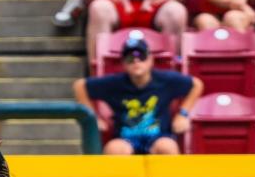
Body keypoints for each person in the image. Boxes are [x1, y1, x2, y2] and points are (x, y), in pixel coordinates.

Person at [73, 37, 203, 154]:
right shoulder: (114, 83)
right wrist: (94, 118)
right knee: (114, 149)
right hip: (125, 139)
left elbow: (196, 85)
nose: (136, 61)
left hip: (159, 137)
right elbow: (80, 86)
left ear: (151, 60)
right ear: (123, 63)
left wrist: (183, 114)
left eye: (141, 56)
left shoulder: (166, 80)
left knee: (167, 146)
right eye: (130, 58)